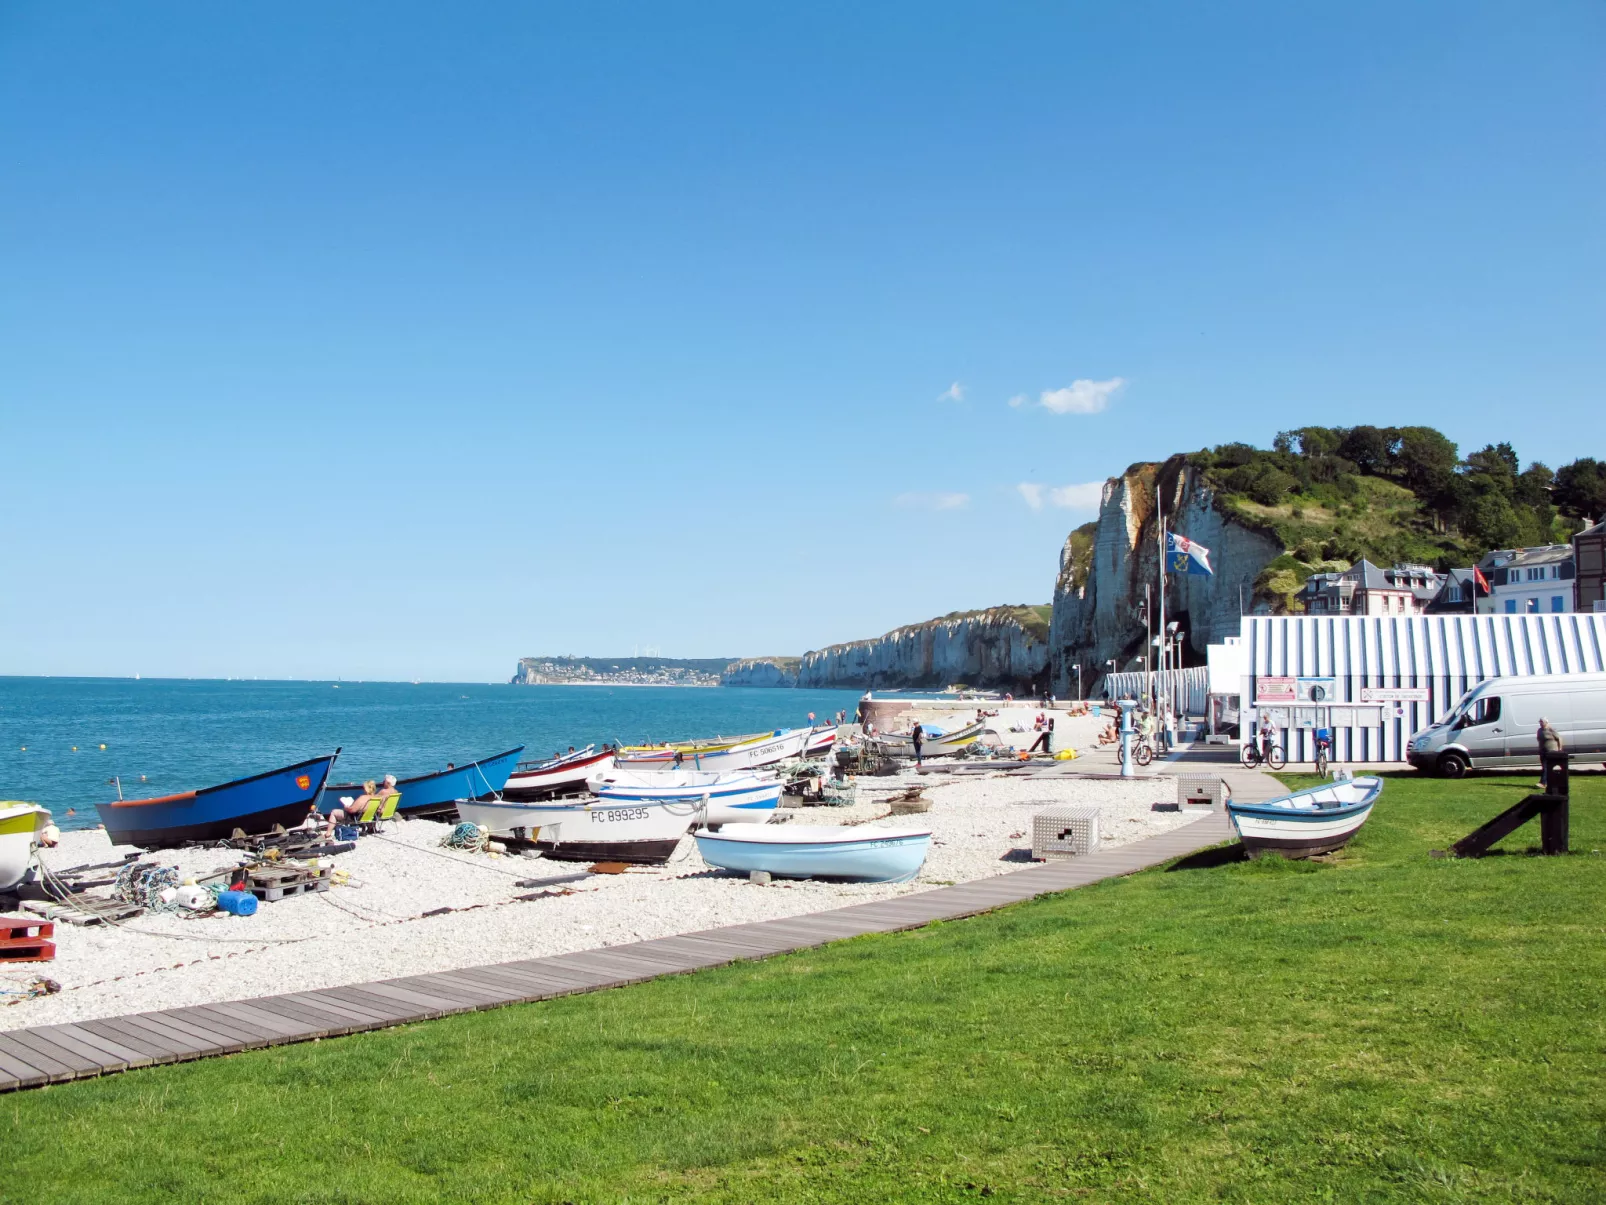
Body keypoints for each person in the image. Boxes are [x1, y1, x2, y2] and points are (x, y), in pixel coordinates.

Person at [1538, 717, 1564, 790]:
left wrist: (1560, 749)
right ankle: (1548, 782)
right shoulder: (1539, 730)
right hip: (1542, 751)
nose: (1540, 723)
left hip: (1551, 751)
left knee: (1546, 767)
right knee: (1545, 767)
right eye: (1540, 722)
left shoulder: (1551, 730)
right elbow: (1539, 740)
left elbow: (1559, 739)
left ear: (1546, 722)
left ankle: (1543, 783)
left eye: (1542, 722)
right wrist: (1540, 749)